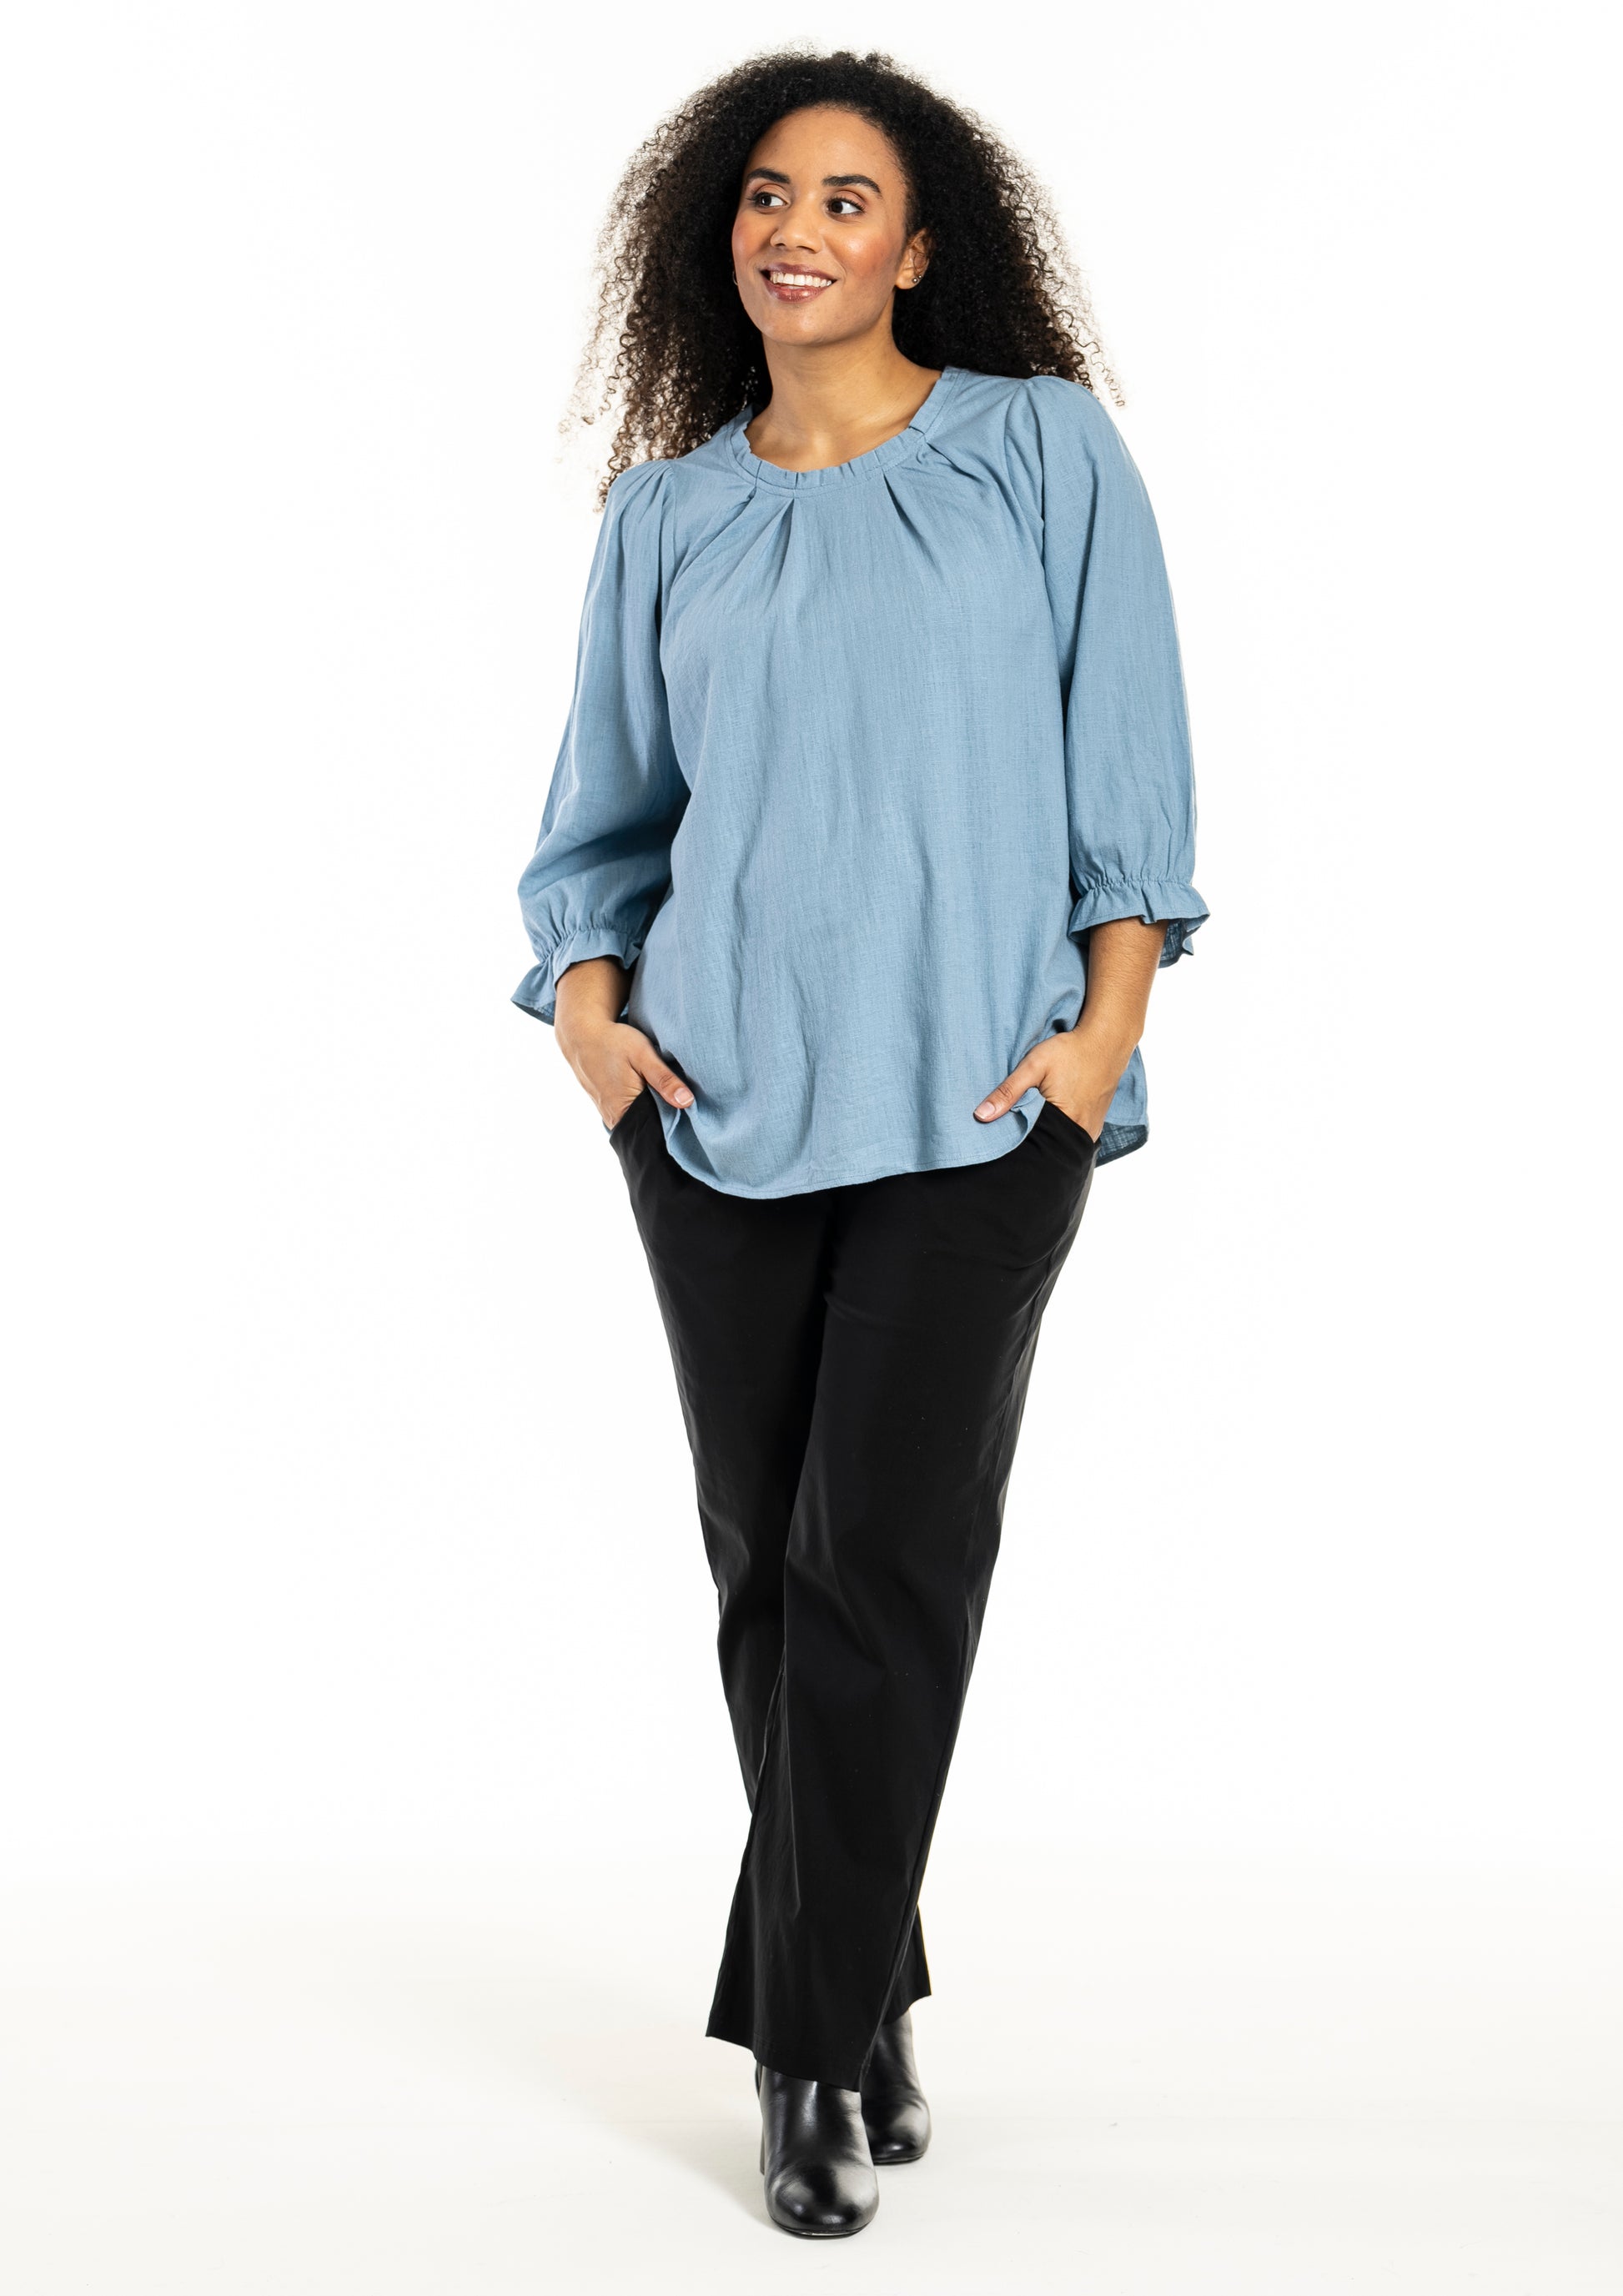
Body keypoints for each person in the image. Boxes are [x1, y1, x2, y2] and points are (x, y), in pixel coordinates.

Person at [513, 48, 1208, 2238]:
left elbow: (1130, 758)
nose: (793, 226)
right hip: (712, 1107)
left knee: (879, 1563)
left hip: (982, 1103)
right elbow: (603, 819)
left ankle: (801, 2057)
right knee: (771, 1572)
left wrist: (1099, 1037)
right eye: (762, 194)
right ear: (712, 239)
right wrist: (594, 1016)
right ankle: (865, 1982)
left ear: (916, 248)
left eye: (842, 198)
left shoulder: (1039, 451)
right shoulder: (668, 514)